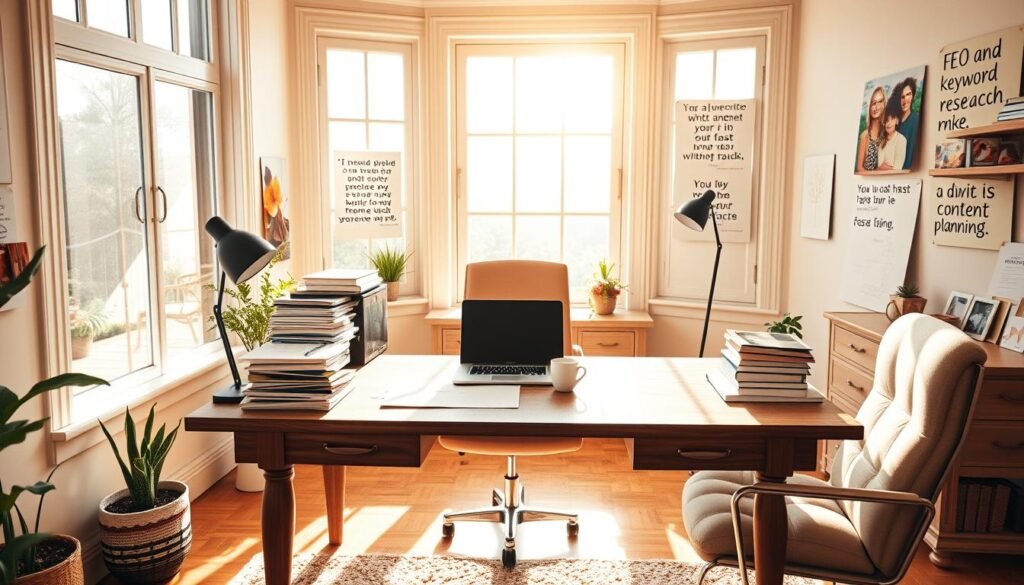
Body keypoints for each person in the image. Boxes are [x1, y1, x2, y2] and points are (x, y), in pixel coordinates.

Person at [856, 86, 886, 173]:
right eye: (873, 103)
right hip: (870, 184)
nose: (876, 107)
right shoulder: (865, 135)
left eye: (880, 102)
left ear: (885, 104)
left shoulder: (887, 132)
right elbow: (859, 168)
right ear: (869, 107)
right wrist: (878, 171)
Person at [894, 78, 920, 170]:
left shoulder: (916, 119)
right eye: (902, 97)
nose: (905, 100)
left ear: (913, 96)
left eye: (908, 94)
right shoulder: (893, 123)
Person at [877, 97, 907, 170]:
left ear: (896, 121)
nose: (889, 124)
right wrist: (884, 167)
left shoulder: (901, 140)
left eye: (892, 119)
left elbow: (898, 168)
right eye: (886, 120)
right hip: (880, 179)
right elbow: (879, 167)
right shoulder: (881, 141)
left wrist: (883, 167)